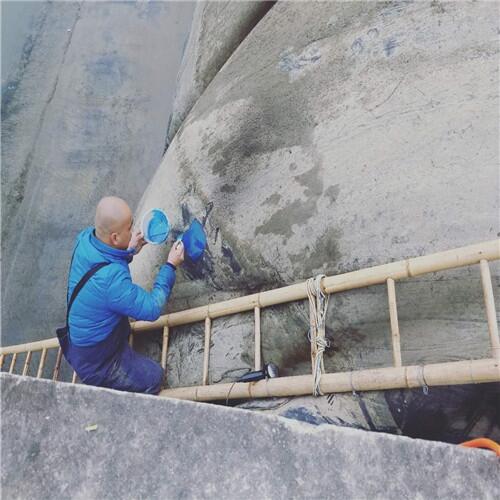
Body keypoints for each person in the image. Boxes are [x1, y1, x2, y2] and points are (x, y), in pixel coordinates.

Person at [59, 196, 184, 394]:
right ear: (115, 238)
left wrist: (129, 249)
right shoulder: (112, 281)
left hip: (86, 333)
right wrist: (170, 265)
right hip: (96, 359)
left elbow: (105, 263)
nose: (134, 230)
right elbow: (152, 308)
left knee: (122, 322)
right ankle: (106, 377)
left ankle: (120, 347)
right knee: (154, 377)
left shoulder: (85, 239)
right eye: (130, 227)